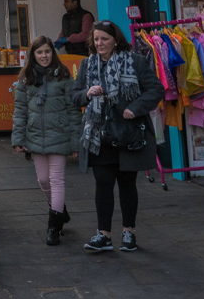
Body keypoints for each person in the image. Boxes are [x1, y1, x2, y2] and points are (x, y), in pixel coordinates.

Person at [70, 21, 164, 253]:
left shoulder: (135, 62)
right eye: (96, 39)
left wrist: (136, 107)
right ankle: (104, 235)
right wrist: (87, 93)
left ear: (115, 40)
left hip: (128, 133)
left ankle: (128, 232)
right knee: (103, 184)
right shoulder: (86, 65)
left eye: (105, 39)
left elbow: (156, 89)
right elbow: (74, 96)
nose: (100, 43)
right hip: (98, 135)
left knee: (127, 184)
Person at [12, 35, 80, 246]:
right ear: (33, 55)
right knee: (43, 180)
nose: (44, 56)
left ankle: (53, 226)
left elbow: (74, 111)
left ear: (53, 52)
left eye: (47, 52)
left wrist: (76, 142)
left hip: (59, 135)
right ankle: (59, 211)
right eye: (39, 52)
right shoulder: (25, 79)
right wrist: (18, 137)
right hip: (35, 136)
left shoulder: (64, 76)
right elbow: (20, 110)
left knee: (56, 179)